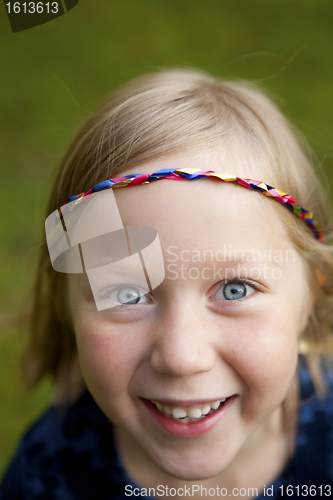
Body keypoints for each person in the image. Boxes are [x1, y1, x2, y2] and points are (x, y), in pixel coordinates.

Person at [1, 68, 333, 500]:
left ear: (314, 293)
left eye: (234, 289)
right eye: (127, 294)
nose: (181, 357)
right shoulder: (47, 477)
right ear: (67, 306)